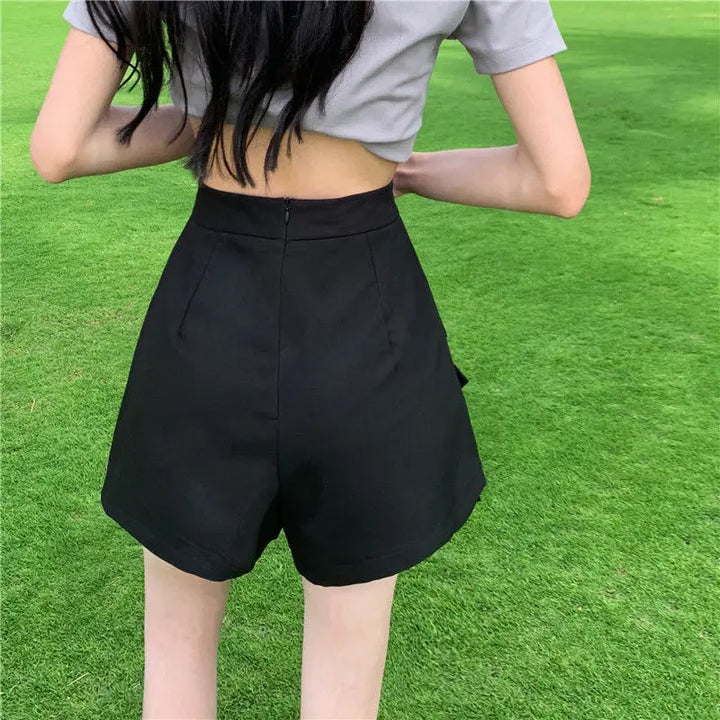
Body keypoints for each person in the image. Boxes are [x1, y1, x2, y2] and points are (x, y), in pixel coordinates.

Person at [30, 1, 591, 718]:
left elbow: (60, 148)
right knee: (345, 683)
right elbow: (556, 183)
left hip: (210, 312)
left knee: (175, 667)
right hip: (369, 316)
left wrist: (211, 118)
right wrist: (406, 170)